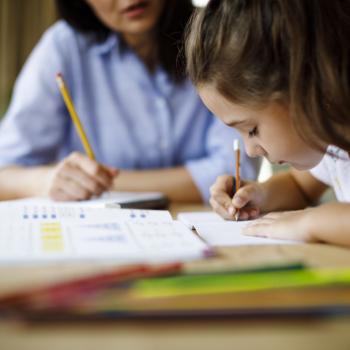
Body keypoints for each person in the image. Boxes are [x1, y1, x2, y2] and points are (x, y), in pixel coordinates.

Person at [0, 0, 258, 203]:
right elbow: (4, 172)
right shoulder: (63, 48)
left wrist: (103, 183)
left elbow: (234, 173)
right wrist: (47, 181)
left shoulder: (220, 37)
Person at [185, 0, 350, 246]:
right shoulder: (332, 144)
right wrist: (259, 195)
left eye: (252, 130)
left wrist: (308, 223)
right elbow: (299, 186)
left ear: (305, 83)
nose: (251, 150)